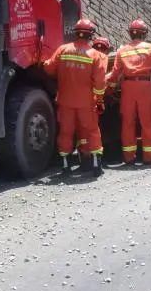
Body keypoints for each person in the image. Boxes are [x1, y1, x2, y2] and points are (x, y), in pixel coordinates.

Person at [44, 19, 107, 177]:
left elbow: (49, 69)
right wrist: (99, 99)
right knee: (92, 131)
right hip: (86, 102)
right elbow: (100, 82)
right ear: (91, 35)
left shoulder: (63, 50)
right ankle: (95, 165)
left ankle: (65, 166)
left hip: (65, 101)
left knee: (65, 132)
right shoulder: (95, 55)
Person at [106, 19, 151, 165]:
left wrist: (105, 84)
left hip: (127, 87)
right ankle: (148, 158)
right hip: (145, 86)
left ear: (130, 34)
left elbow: (114, 74)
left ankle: (129, 158)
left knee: (127, 123)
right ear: (144, 34)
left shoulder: (122, 50)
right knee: (148, 123)